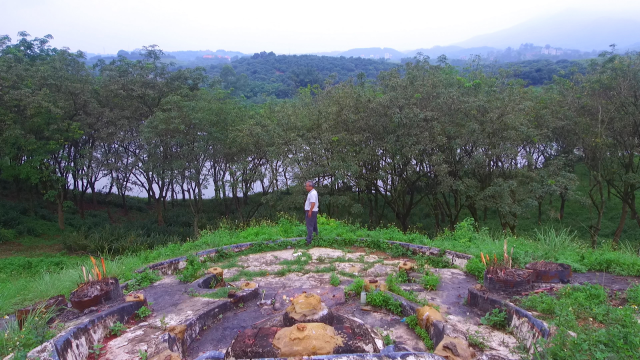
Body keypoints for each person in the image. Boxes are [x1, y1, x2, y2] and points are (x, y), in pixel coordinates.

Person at [304, 180, 319, 245]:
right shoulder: (312, 192)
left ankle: (309, 240)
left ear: (310, 186)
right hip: (313, 211)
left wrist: (310, 211)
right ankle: (316, 237)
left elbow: (313, 203)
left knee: (309, 226)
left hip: (311, 211)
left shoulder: (312, 193)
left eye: (306, 186)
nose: (306, 187)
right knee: (314, 225)